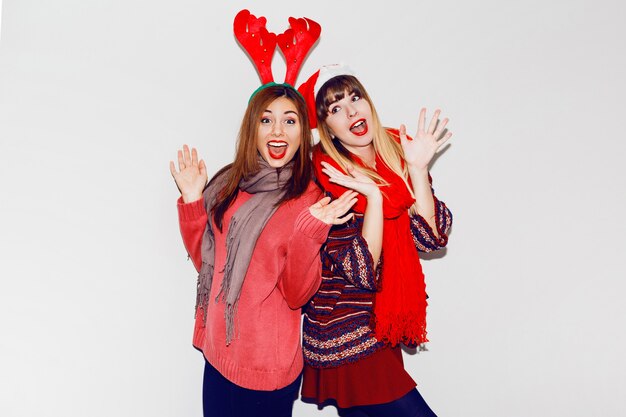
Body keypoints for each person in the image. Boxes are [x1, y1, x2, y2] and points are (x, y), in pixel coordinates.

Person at [168, 11, 354, 417]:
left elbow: (297, 293)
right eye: (267, 120)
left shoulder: (308, 199)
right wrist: (194, 199)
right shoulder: (232, 184)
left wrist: (309, 234)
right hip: (218, 354)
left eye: (290, 121)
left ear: (303, 131)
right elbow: (206, 258)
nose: (277, 132)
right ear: (252, 127)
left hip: (267, 370)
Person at [297, 66, 454, 417]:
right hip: (344, 330)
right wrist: (374, 198)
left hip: (383, 324)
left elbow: (431, 238)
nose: (351, 111)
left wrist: (415, 170)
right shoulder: (324, 180)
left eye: (355, 98)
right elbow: (361, 269)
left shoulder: (399, 157)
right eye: (335, 109)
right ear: (328, 130)